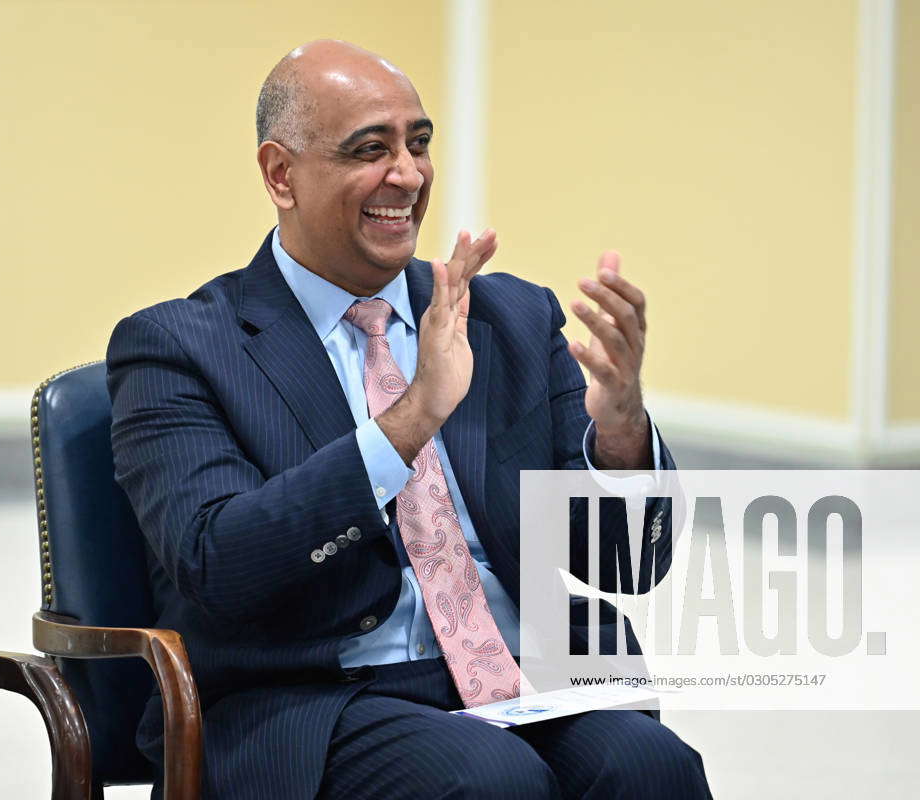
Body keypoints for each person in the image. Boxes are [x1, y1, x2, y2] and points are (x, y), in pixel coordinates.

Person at [107, 39, 711, 799]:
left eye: (418, 143)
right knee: (490, 783)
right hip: (319, 698)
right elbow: (218, 562)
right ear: (280, 173)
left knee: (654, 767)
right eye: (371, 149)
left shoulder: (511, 317)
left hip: (529, 680)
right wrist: (410, 420)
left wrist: (621, 435)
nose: (409, 174)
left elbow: (625, 569)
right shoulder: (180, 346)